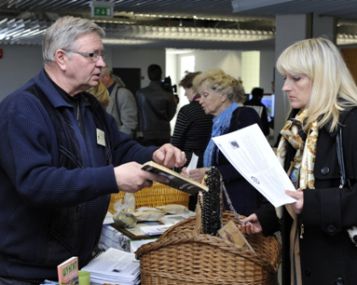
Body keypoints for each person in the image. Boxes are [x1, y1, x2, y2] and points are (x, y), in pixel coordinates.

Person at [0, 16, 186, 283]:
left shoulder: (87, 105)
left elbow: (121, 148)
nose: (102, 63)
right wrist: (112, 178)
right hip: (27, 273)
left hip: (76, 264)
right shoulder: (23, 109)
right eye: (92, 55)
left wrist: (154, 155)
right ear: (61, 58)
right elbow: (35, 182)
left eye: (101, 55)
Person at [241, 37, 357, 285]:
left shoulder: (351, 123)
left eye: (297, 78)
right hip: (302, 248)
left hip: (339, 258)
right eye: (285, 78)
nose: (285, 87)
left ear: (323, 77)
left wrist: (313, 203)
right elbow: (291, 188)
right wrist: (267, 218)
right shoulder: (298, 127)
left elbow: (313, 197)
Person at [181, 69, 264, 216]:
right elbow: (212, 159)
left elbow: (251, 163)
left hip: (241, 205)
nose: (200, 100)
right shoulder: (216, 123)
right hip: (219, 202)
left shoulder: (244, 116)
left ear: (223, 96)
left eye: (205, 95)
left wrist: (210, 173)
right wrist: (191, 170)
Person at [171, 71, 213, 210]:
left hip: (188, 164)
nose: (184, 94)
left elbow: (176, 142)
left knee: (189, 207)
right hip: (209, 164)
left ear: (195, 89)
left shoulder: (187, 111)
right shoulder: (215, 111)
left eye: (186, 90)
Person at [135, 64, 177, 146]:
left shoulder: (140, 93)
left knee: (148, 158)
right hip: (164, 132)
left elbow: (138, 113)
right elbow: (171, 114)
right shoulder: (168, 94)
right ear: (161, 74)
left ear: (148, 75)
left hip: (147, 132)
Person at [100, 67, 138, 138]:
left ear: (106, 77)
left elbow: (130, 125)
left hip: (119, 144)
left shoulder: (124, 94)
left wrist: (117, 141)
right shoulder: (102, 94)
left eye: (98, 78)